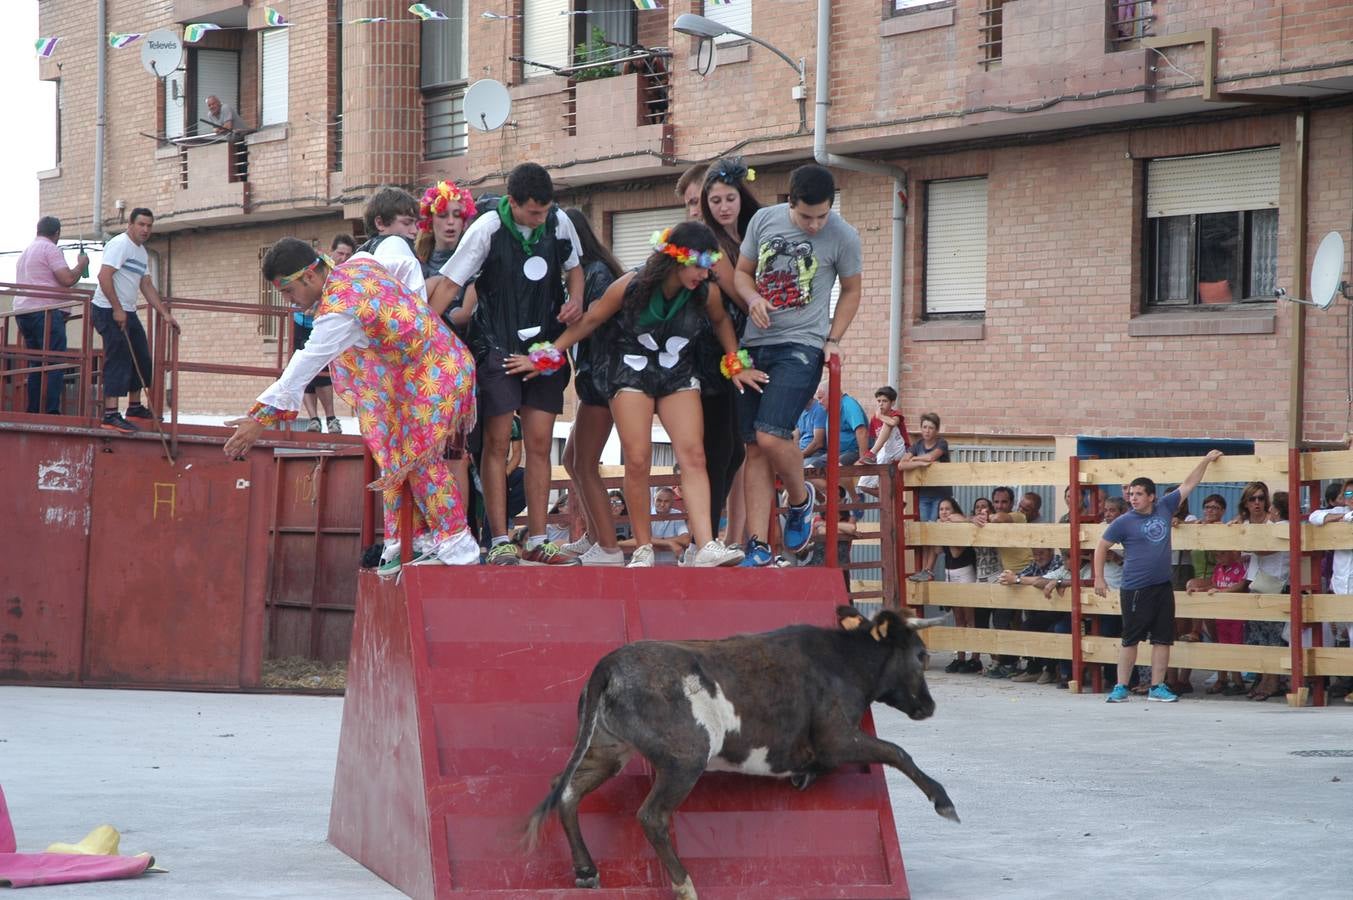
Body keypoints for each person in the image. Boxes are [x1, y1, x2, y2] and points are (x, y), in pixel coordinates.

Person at [506, 220, 763, 568]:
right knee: (638, 457)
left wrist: (736, 363)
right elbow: (590, 320)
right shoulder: (630, 285)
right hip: (628, 368)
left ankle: (706, 544)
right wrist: (546, 356)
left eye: (707, 267)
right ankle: (642, 548)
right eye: (696, 266)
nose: (703, 275)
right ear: (674, 259)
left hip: (676, 370)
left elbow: (720, 322)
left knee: (694, 455)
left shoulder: (707, 291)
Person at [223, 238, 477, 571]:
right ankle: (408, 541)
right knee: (393, 455)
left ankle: (459, 547)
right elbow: (398, 250)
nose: (290, 303)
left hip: (437, 372)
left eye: (288, 293)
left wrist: (259, 419)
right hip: (409, 379)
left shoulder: (340, 309)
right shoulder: (358, 264)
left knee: (416, 457)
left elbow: (306, 363)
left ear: (310, 277)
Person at [440, 162, 585, 566]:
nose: (541, 218)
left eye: (545, 211)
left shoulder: (559, 224)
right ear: (514, 203)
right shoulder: (487, 228)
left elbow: (575, 271)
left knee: (539, 443)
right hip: (496, 346)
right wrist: (423, 331)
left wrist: (575, 300)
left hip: (545, 348)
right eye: (533, 212)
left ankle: (539, 538)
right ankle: (500, 537)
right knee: (497, 444)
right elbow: (451, 284)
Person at [733, 163, 862, 566]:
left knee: (772, 435)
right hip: (755, 345)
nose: (815, 224)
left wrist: (833, 339)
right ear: (790, 203)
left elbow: (853, 290)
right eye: (807, 216)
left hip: (802, 345)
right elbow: (741, 273)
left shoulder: (843, 235)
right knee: (753, 448)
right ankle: (757, 544)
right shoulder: (763, 220)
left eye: (822, 215)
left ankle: (801, 500)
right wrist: (753, 298)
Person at [1094, 450, 1222, 703]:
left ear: (1152, 496)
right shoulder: (1123, 521)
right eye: (1131, 494)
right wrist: (1099, 577)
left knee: (1163, 638)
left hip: (1162, 585)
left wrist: (1205, 460)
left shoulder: (1165, 506)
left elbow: (1189, 484)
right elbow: (1101, 546)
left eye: (1139, 494)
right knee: (1130, 638)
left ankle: (1157, 686)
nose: (1133, 498)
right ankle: (1121, 686)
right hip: (1135, 588)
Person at [558, 208, 627, 566]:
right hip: (592, 377)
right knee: (572, 459)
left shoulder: (593, 273)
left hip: (603, 378)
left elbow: (595, 325)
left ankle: (610, 548)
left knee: (584, 462)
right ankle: (595, 536)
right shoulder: (584, 272)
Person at [699, 157, 761, 549]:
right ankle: (707, 537)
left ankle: (735, 538)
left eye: (730, 198)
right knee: (724, 448)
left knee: (745, 448)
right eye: (716, 200)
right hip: (720, 351)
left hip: (754, 346)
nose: (723, 207)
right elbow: (742, 297)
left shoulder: (756, 234)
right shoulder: (712, 245)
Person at [90, 208, 179, 434]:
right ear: (130, 224)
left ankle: (134, 407)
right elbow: (103, 276)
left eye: (149, 225)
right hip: (106, 308)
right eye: (141, 224)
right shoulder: (120, 244)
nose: (145, 229)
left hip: (127, 310)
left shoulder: (141, 252)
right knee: (118, 354)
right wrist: (117, 309)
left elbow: (146, 284)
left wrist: (164, 313)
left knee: (141, 355)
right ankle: (110, 414)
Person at [14, 216, 87, 415]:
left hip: (24, 312)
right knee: (54, 360)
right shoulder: (50, 249)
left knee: (37, 362)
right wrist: (81, 265)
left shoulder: (26, 252)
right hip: (45, 311)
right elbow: (68, 279)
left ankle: (35, 409)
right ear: (57, 233)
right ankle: (50, 410)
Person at [290, 234, 355, 435]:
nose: (343, 258)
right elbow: (298, 291)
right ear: (331, 251)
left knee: (324, 372)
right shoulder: (319, 267)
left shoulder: (346, 274)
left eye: (348, 254)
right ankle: (313, 418)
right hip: (302, 322)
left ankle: (331, 417)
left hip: (327, 326)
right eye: (340, 253)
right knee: (305, 370)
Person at [900, 412, 951, 581]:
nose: (927, 431)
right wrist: (920, 463)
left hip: (940, 494)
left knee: (933, 529)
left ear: (936, 430)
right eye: (924, 427)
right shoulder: (917, 444)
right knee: (924, 531)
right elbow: (901, 464)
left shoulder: (942, 443)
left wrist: (915, 460)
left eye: (931, 428)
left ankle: (928, 570)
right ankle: (924, 569)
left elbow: (931, 456)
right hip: (924, 494)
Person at [352, 186, 427, 302]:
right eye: (407, 223)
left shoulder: (361, 254)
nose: (414, 231)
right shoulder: (396, 244)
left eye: (415, 224)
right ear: (380, 223)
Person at [936, 497, 979, 674]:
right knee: (958, 619)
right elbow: (938, 550)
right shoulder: (944, 526)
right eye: (941, 509)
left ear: (955, 511)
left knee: (970, 619)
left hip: (964, 571)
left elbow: (955, 551)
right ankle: (959, 656)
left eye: (947, 509)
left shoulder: (961, 526)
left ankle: (974, 658)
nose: (944, 513)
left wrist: (948, 529)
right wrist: (940, 530)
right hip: (949, 572)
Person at [858, 385, 909, 497]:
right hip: (883, 452)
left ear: (892, 403)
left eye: (884, 401)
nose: (881, 404)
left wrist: (880, 416)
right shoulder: (874, 419)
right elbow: (875, 438)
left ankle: (871, 454)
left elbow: (892, 423)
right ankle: (891, 498)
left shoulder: (895, 414)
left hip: (900, 450)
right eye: (879, 401)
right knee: (863, 484)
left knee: (888, 423)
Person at [649, 487, 691, 564]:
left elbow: (685, 539)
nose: (662, 504)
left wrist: (657, 540)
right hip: (650, 563)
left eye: (666, 501)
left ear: (672, 502)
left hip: (672, 562)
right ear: (654, 499)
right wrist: (670, 543)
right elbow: (644, 539)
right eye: (659, 500)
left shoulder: (677, 514)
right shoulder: (647, 514)